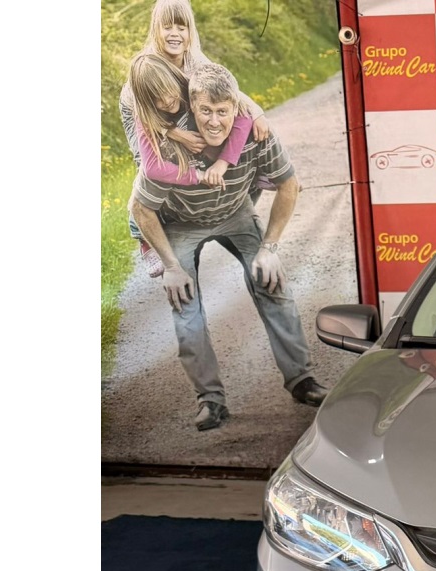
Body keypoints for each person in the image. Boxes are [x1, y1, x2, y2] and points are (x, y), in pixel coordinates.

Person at [129, 62, 328, 431]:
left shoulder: (255, 132)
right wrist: (170, 265)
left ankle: (302, 380)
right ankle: (210, 399)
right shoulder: (170, 144)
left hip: (236, 213)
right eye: (205, 111)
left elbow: (289, 184)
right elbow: (141, 208)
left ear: (237, 108)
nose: (214, 121)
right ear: (192, 106)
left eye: (223, 111)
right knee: (184, 302)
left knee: (271, 281)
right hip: (181, 223)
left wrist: (270, 247)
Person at [120, 0, 271, 276]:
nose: (174, 34)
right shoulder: (147, 66)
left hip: (173, 105)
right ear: (156, 29)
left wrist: (257, 111)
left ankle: (227, 207)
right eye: (167, 27)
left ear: (191, 31)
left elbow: (228, 91)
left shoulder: (196, 60)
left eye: (182, 27)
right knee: (150, 165)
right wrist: (176, 134)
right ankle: (144, 236)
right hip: (143, 114)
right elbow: (144, 113)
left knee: (210, 145)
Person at [127, 52, 253, 191]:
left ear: (174, 78)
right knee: (143, 191)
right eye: (157, 98)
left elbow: (244, 115)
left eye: (168, 91)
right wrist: (198, 176)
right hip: (185, 181)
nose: (167, 101)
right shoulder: (144, 116)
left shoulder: (194, 86)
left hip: (225, 163)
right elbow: (151, 168)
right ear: (147, 103)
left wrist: (223, 162)